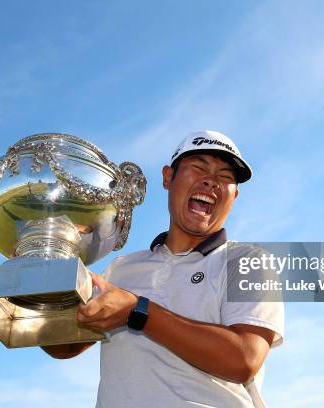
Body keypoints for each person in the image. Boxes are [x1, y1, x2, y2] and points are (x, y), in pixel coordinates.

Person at [42, 130, 284, 407]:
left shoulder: (249, 261)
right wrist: (43, 281)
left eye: (225, 177)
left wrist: (137, 310)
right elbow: (63, 346)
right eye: (198, 167)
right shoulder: (122, 268)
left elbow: (244, 359)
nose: (211, 181)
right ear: (168, 177)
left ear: (234, 195)